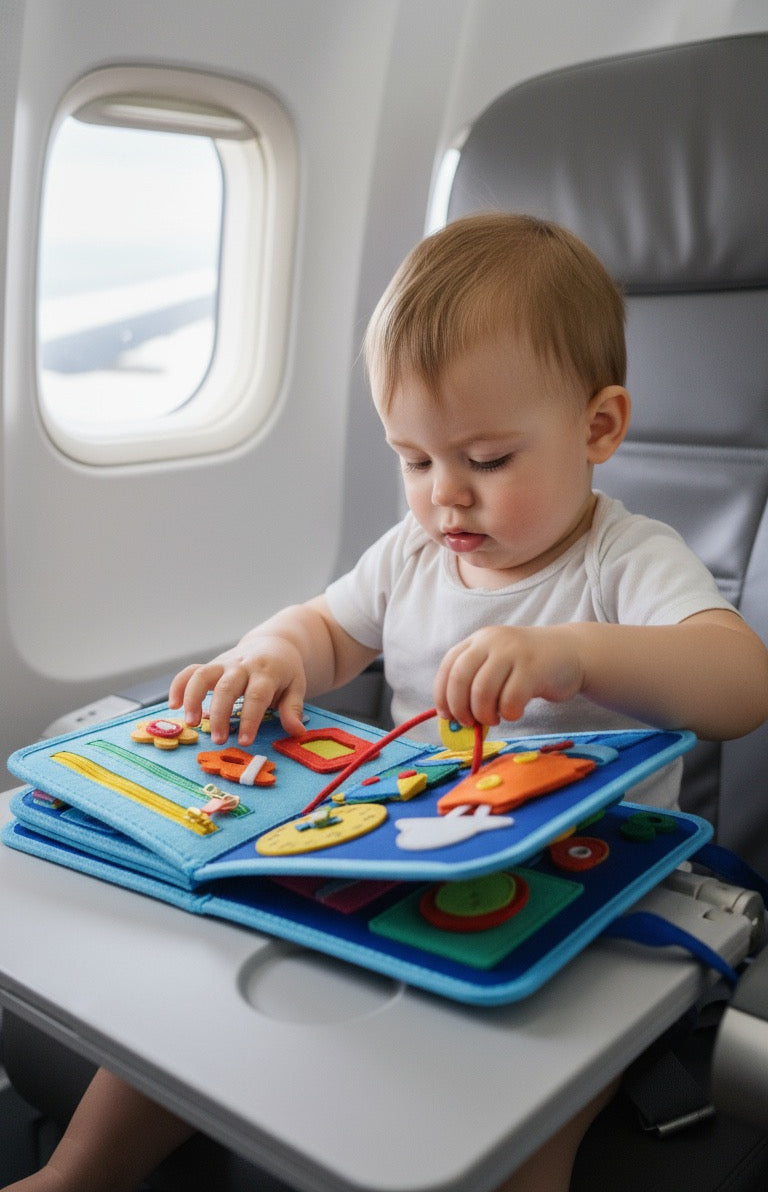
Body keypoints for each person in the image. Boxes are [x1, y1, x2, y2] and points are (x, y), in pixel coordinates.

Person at [7, 213, 768, 1192]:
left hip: (592, 896)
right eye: (414, 461)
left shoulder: (623, 562)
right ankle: (79, 1175)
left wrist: (573, 656)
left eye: (487, 462)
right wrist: (268, 656)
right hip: (402, 850)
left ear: (599, 427)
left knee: (527, 1120)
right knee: (185, 1011)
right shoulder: (413, 552)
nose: (446, 497)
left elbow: (739, 682)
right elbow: (328, 628)